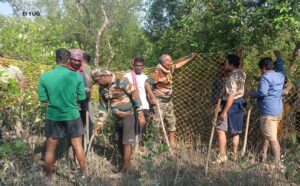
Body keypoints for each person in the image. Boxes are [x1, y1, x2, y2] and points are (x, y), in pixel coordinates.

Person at [38, 48, 86, 179]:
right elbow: (82, 98)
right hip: (72, 115)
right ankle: (83, 175)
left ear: (56, 59)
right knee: (77, 145)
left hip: (53, 116)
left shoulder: (45, 77)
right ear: (69, 60)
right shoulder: (76, 76)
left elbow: (43, 99)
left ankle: (48, 178)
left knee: (50, 149)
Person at [92, 68, 146, 172]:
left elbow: (135, 96)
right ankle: (125, 163)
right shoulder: (102, 89)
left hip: (129, 115)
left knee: (126, 142)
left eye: (97, 80)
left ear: (104, 76)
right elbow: (103, 107)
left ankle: (126, 169)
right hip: (118, 118)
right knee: (118, 140)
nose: (96, 83)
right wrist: (99, 125)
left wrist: (140, 114)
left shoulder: (121, 80)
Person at [147, 53, 197, 148]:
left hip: (168, 101)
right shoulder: (158, 72)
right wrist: (152, 97)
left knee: (171, 121)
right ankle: (154, 145)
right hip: (159, 101)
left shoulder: (169, 69)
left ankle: (172, 143)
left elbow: (178, 65)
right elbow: (147, 83)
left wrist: (190, 58)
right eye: (169, 60)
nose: (171, 62)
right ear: (163, 62)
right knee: (156, 123)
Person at [252, 51, 285, 167]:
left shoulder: (265, 77)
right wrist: (279, 57)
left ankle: (278, 164)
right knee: (266, 134)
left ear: (264, 68)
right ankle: (263, 156)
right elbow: (281, 66)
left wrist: (253, 94)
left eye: (261, 68)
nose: (261, 71)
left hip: (268, 113)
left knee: (272, 139)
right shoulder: (280, 75)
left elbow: (262, 93)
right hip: (278, 111)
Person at [215, 54, 246, 163]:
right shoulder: (241, 73)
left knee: (220, 129)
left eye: (227, 63)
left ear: (231, 64)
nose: (225, 64)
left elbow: (231, 95)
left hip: (230, 103)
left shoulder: (232, 77)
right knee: (236, 131)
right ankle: (234, 154)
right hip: (239, 102)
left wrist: (224, 112)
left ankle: (222, 155)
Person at [124, 57, 157, 145]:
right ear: (133, 65)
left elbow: (149, 92)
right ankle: (132, 145)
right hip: (130, 105)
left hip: (143, 105)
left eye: (140, 66)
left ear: (143, 66)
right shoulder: (127, 76)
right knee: (132, 126)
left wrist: (152, 101)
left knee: (142, 126)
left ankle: (141, 145)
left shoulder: (145, 78)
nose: (138, 67)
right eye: (136, 65)